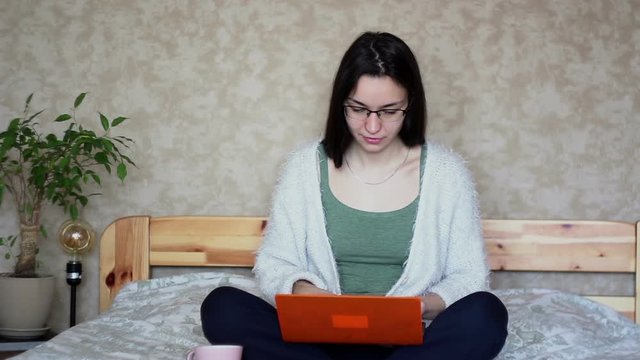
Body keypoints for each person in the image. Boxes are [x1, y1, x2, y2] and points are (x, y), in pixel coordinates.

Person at [201, 31, 508, 360]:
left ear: (411, 105)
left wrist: (420, 305)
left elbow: (469, 275)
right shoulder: (304, 167)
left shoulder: (446, 174)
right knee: (221, 306)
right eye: (359, 109)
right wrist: (309, 294)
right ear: (340, 104)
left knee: (486, 314)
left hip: (407, 342)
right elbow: (274, 262)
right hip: (318, 339)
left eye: (389, 111)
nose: (372, 127)